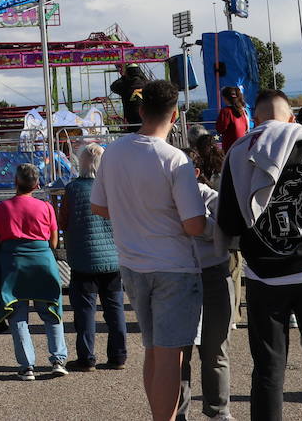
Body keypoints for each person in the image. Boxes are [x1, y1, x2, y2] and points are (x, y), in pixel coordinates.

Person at [216, 88, 302, 421]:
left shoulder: (239, 156)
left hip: (265, 276)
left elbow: (229, 221)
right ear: (292, 119)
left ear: (256, 120)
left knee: (268, 370)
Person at [90, 79, 207, 421]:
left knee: (153, 350)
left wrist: (132, 212)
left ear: (140, 111)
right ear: (175, 117)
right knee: (172, 355)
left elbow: (99, 206)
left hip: (132, 264)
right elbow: (194, 225)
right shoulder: (175, 159)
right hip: (174, 267)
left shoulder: (113, 152)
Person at [0, 163, 68, 380]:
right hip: (42, 262)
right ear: (37, 184)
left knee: (18, 315)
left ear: (16, 182)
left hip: (13, 265)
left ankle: (27, 366)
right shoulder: (46, 207)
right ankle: (58, 360)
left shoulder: (2, 208)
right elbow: (54, 241)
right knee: (51, 311)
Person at [178, 144, 236, 421]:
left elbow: (230, 231)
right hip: (177, 279)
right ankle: (178, 414)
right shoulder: (161, 201)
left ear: (197, 172)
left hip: (213, 275)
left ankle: (218, 411)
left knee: (215, 350)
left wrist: (201, 227)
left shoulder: (210, 196)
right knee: (178, 355)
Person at [58, 143, 127, 372]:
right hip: (113, 257)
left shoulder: (73, 189)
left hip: (84, 258)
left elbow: (63, 222)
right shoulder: (114, 187)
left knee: (85, 311)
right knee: (115, 308)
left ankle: (86, 357)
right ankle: (118, 356)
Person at [110, 64, 148, 131]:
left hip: (130, 121)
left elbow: (113, 86)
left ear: (127, 73)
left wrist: (124, 77)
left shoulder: (124, 86)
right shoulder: (147, 84)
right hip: (146, 119)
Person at [215, 86, 250, 153]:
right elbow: (247, 128)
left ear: (225, 98)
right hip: (242, 146)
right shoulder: (243, 111)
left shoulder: (225, 111)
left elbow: (220, 128)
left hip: (230, 147)